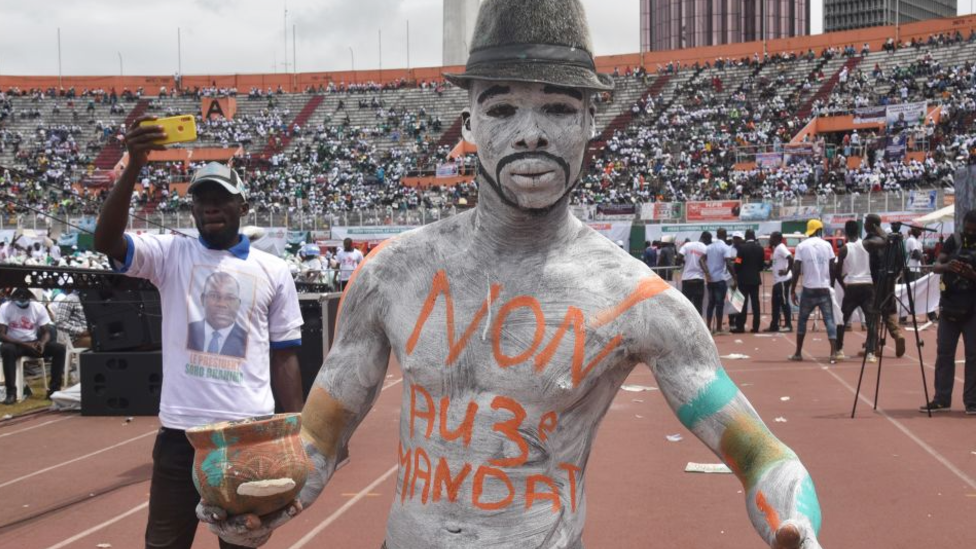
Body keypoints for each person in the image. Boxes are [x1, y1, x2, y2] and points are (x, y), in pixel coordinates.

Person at [203, 2, 823, 548]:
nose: (531, 133)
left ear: (589, 123)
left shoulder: (638, 301)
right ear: (469, 124)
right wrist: (271, 501)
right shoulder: (393, 272)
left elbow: (762, 456)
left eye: (557, 107)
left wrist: (795, 526)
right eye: (502, 108)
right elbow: (320, 436)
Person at [94, 135, 304, 549]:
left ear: (242, 206)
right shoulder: (171, 254)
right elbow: (106, 242)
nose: (210, 206)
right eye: (201, 198)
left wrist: (293, 433)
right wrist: (134, 165)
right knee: (164, 544)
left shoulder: (274, 270)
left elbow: (285, 356)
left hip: (248, 435)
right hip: (182, 436)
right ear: (190, 208)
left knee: (241, 544)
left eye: (221, 197)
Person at [920, 209, 976, 414]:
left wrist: (972, 274)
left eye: (973, 231)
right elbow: (935, 266)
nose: (969, 233)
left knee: (973, 355)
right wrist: (948, 266)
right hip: (949, 305)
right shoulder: (954, 240)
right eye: (967, 229)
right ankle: (942, 399)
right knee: (944, 353)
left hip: (972, 309)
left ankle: (972, 402)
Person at [0, 288, 67, 402]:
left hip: (33, 342)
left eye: (25, 295)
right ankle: (11, 393)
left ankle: (54, 390)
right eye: (19, 295)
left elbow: (46, 332)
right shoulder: (5, 307)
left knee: (59, 349)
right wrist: (25, 344)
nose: (22, 298)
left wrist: (42, 343)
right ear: (14, 296)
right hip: (15, 344)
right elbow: (1, 334)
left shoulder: (38, 307)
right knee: (7, 349)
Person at [789, 220, 841, 364]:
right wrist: (831, 284)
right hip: (824, 288)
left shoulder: (801, 246)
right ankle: (833, 353)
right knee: (829, 320)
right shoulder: (827, 245)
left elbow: (796, 268)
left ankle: (798, 352)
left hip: (809, 289)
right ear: (819, 230)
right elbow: (832, 267)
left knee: (802, 320)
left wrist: (793, 290)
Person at [863, 214, 907, 358]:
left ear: (872, 225)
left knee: (873, 313)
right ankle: (897, 334)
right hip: (890, 279)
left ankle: (874, 347)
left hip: (875, 280)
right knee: (889, 310)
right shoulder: (893, 241)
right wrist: (894, 275)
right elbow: (901, 260)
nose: (864, 225)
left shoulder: (870, 240)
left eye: (866, 223)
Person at [835, 221, 877, 363]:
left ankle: (839, 350)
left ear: (846, 233)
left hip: (852, 285)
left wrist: (843, 285)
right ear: (858, 231)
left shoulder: (844, 249)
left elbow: (837, 271)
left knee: (842, 319)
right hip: (867, 285)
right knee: (871, 320)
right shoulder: (867, 246)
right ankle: (871, 352)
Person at [187, 272, 249, 358]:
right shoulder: (187, 331)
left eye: (230, 298)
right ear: (202, 299)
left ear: (238, 304)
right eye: (214, 296)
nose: (221, 304)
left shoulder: (248, 339)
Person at [701, 227, 737, 334]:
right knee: (719, 304)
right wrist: (735, 277)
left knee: (711, 304)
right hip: (720, 279)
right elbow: (728, 263)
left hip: (710, 280)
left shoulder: (709, 247)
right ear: (725, 235)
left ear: (716, 235)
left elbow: (701, 259)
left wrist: (706, 272)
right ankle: (718, 328)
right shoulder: (725, 247)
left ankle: (708, 327)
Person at [732, 230, 765, 333]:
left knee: (742, 303)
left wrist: (736, 271)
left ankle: (740, 326)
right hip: (755, 279)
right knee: (756, 303)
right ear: (754, 236)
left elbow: (738, 263)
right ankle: (756, 326)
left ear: (746, 237)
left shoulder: (741, 248)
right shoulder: (760, 249)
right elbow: (761, 265)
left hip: (743, 279)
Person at [768, 232, 794, 332]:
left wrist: (787, 270)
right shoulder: (776, 248)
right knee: (775, 303)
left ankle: (788, 325)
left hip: (783, 280)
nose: (769, 240)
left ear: (776, 238)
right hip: (777, 281)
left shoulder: (781, 247)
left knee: (784, 302)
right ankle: (774, 325)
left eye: (771, 238)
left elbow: (790, 258)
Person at [677, 232, 709, 315]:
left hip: (686, 279)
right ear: (707, 240)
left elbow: (679, 257)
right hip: (699, 280)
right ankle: (698, 327)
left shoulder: (687, 245)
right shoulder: (705, 248)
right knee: (698, 306)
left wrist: (682, 263)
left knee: (686, 306)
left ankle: (685, 326)